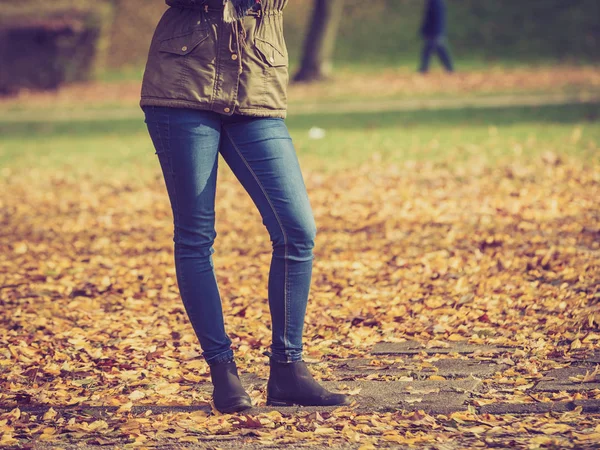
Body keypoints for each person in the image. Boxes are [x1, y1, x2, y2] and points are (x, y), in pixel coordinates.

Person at [139, 0, 350, 413]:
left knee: (297, 230)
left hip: (256, 85)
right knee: (196, 235)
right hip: (183, 83)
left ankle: (288, 370)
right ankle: (223, 373)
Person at [419, 0, 454, 73]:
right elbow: (428, 18)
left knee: (436, 49)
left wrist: (438, 32)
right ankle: (424, 68)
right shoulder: (432, 2)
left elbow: (439, 18)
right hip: (432, 31)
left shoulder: (437, 2)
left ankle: (423, 69)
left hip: (435, 32)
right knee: (431, 49)